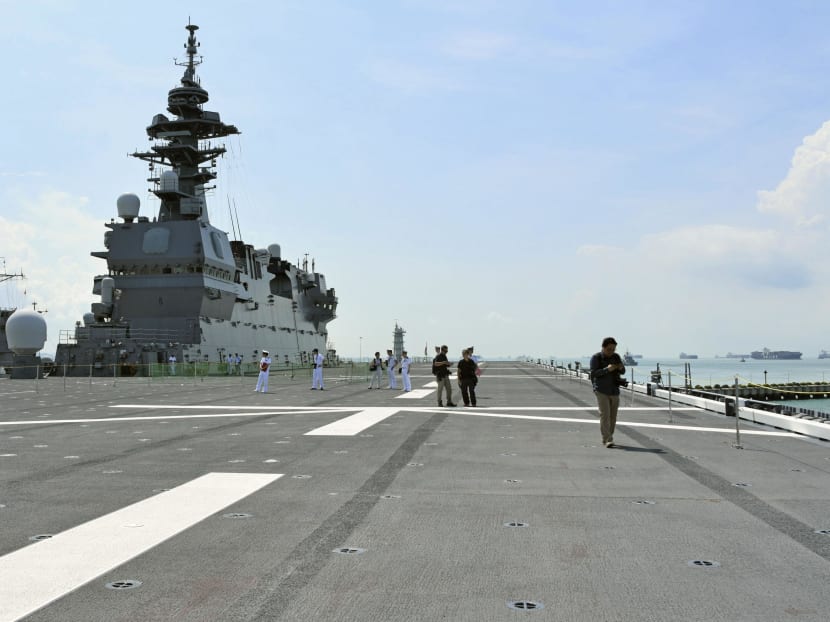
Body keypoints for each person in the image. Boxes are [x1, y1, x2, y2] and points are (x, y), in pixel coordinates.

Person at [589, 337, 626, 448]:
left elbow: (623, 371)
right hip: (601, 390)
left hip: (614, 390)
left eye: (613, 349)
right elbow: (594, 373)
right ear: (603, 347)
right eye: (609, 349)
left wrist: (620, 367)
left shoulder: (616, 357)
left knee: (613, 417)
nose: (612, 351)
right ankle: (607, 439)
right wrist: (607, 369)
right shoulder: (596, 358)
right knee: (605, 415)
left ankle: (609, 435)